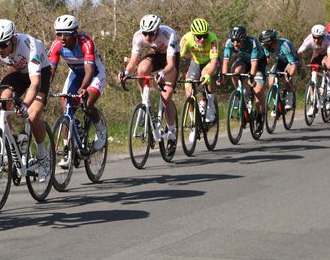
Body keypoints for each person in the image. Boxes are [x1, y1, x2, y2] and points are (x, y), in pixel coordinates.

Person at [0, 19, 52, 182]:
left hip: (39, 74)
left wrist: (25, 104)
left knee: (32, 115)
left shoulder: (30, 46)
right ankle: (9, 149)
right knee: (2, 100)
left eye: (3, 45)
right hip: (18, 72)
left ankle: (43, 157)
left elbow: (35, 83)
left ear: (13, 39)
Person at [48, 14, 107, 168]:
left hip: (94, 74)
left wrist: (84, 88)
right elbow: (51, 71)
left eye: (65, 34)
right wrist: (44, 89)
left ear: (74, 33)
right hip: (75, 74)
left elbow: (89, 70)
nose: (62, 38)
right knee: (66, 106)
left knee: (86, 103)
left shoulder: (86, 43)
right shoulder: (56, 45)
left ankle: (100, 128)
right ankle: (68, 148)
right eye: (58, 34)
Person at [119, 14, 180, 153]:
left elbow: (170, 64)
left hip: (171, 56)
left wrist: (162, 74)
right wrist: (126, 73)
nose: (147, 37)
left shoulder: (168, 34)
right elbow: (133, 61)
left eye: (151, 34)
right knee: (142, 69)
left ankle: (171, 134)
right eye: (145, 33)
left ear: (157, 30)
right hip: (156, 53)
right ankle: (146, 99)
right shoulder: (138, 36)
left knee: (166, 97)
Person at [217, 25, 266, 133]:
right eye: (233, 41)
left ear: (244, 39)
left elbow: (254, 64)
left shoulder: (252, 42)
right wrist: (223, 75)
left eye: (238, 41)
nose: (235, 44)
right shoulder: (229, 43)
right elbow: (226, 61)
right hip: (244, 60)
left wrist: (251, 78)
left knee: (257, 90)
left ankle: (260, 116)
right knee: (235, 72)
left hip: (258, 63)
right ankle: (240, 93)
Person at [179, 18, 219, 125]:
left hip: (209, 62)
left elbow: (214, 61)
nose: (202, 39)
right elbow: (177, 57)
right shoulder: (186, 39)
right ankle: (193, 122)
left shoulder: (212, 39)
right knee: (188, 92)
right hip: (195, 63)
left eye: (204, 36)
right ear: (193, 35)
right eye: (199, 36)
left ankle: (211, 107)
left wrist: (208, 75)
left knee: (205, 75)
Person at [258, 29, 299, 110]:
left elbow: (292, 64)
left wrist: (290, 75)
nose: (266, 47)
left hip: (292, 61)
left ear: (274, 41)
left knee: (286, 77)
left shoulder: (284, 45)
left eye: (267, 45)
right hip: (280, 61)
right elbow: (267, 60)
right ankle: (276, 104)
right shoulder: (267, 46)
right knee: (271, 81)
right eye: (264, 45)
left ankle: (290, 98)